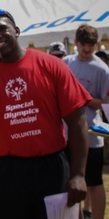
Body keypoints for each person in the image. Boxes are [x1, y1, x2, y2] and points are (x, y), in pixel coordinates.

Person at [0, 9, 90, 219]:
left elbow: (77, 121)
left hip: (51, 168)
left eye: (2, 28)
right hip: (6, 171)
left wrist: (79, 175)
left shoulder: (51, 65)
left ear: (17, 31)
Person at [64, 25, 109, 219]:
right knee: (70, 183)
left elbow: (107, 105)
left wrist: (84, 98)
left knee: (94, 182)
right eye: (83, 44)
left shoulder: (102, 69)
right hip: (66, 134)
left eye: (91, 44)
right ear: (76, 43)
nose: (87, 49)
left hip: (91, 134)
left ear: (96, 44)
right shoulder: (66, 63)